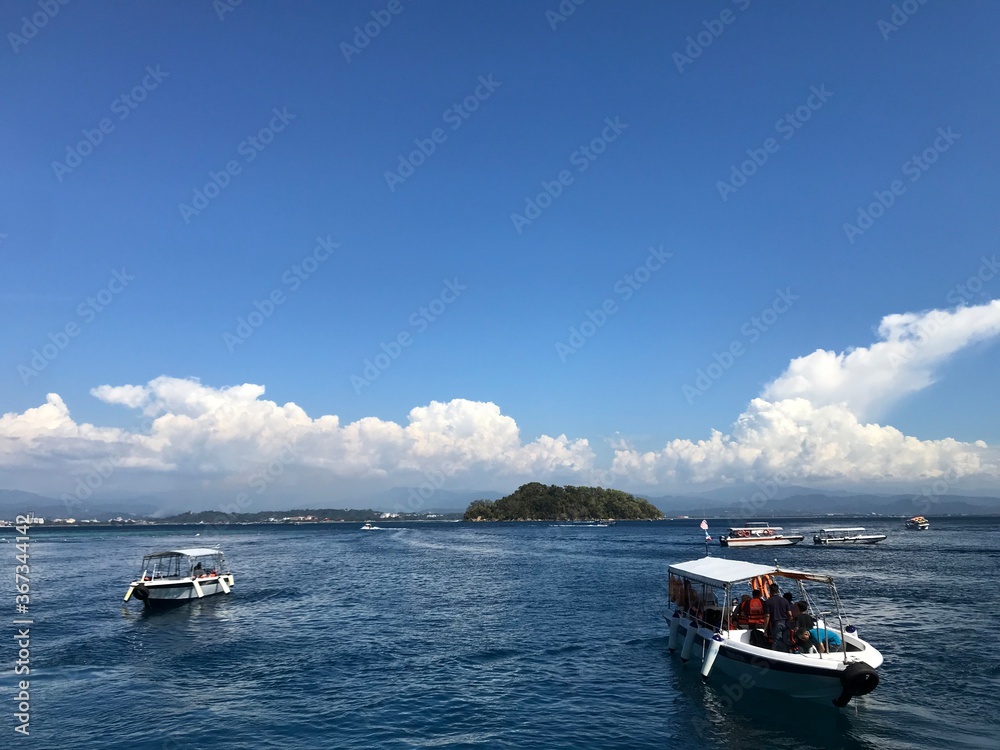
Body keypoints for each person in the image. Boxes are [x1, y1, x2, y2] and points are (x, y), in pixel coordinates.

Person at [763, 583, 792, 649]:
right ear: (778, 591)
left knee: (777, 642)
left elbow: (767, 616)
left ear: (770, 591)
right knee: (786, 640)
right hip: (785, 623)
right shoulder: (785, 601)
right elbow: (790, 614)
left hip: (776, 624)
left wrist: (765, 628)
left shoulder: (768, 602)